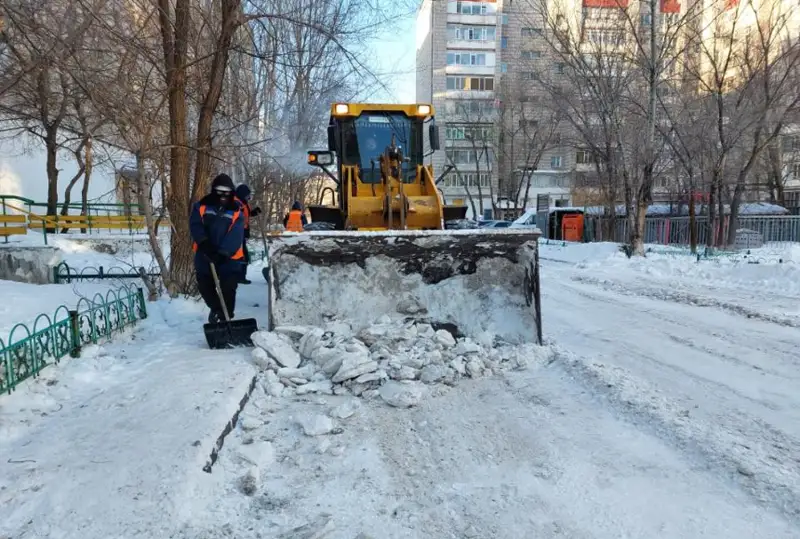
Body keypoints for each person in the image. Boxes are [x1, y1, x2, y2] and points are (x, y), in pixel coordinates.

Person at [190, 174, 246, 323]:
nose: (223, 195)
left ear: (231, 192)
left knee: (228, 287)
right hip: (205, 254)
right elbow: (195, 226)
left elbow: (236, 234)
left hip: (229, 257)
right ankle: (216, 309)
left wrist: (223, 253)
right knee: (204, 285)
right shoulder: (201, 206)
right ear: (213, 190)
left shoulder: (236, 211)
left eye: (226, 191)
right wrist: (205, 244)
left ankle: (226, 317)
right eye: (219, 191)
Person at [234, 183, 262, 285]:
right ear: (242, 194)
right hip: (238, 234)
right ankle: (239, 277)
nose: (248, 197)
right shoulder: (236, 203)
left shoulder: (243, 203)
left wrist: (255, 212)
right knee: (242, 255)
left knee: (243, 255)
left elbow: (247, 215)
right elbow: (237, 218)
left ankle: (240, 276)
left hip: (242, 233)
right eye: (247, 195)